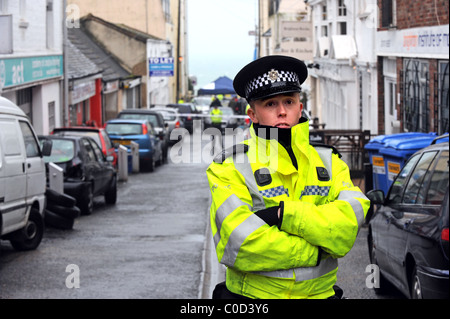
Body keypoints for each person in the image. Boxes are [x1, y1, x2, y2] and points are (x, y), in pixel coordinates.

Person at [206, 55, 370, 299]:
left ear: (300, 108)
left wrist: (282, 216)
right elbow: (241, 243)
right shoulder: (229, 167)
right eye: (270, 104)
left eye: (289, 101)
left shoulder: (329, 160)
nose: (282, 111)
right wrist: (317, 250)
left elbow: (348, 226)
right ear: (253, 114)